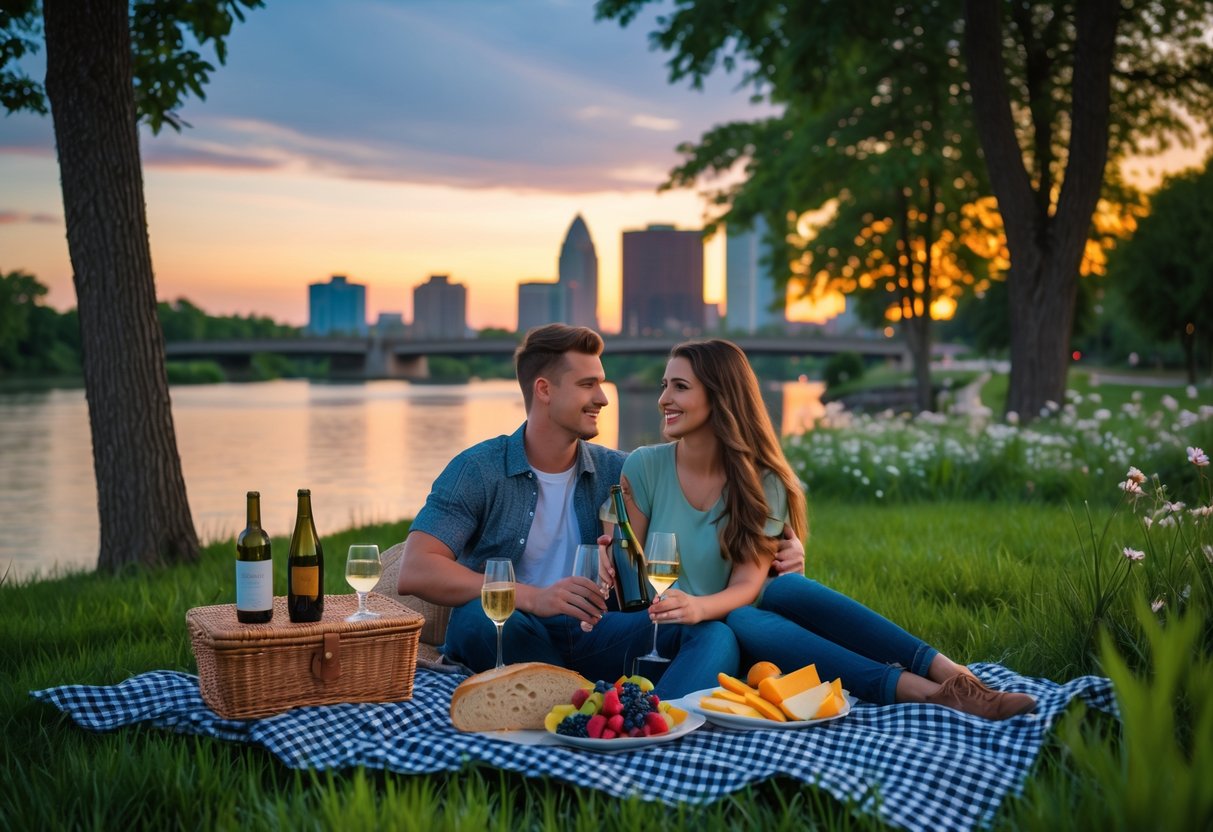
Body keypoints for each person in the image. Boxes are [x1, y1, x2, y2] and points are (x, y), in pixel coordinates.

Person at [614, 339, 1036, 720]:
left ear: (720, 395)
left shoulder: (764, 482)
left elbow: (747, 582)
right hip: (681, 640)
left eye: (680, 386)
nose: (663, 398)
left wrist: (701, 606)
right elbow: (628, 571)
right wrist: (609, 551)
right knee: (739, 618)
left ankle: (953, 677)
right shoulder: (645, 467)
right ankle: (926, 694)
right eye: (664, 385)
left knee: (777, 594)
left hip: (750, 636)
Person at [398, 324, 799, 698]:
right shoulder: (480, 469)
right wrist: (536, 598)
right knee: (476, 619)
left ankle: (645, 719)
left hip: (600, 631)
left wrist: (787, 558)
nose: (603, 398)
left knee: (711, 636)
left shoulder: (619, 470)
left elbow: (705, 507)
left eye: (601, 384)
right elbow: (416, 570)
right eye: (588, 384)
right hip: (518, 626)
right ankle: (580, 698)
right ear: (544, 390)